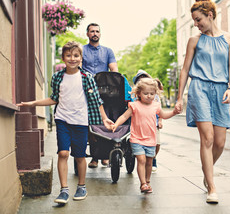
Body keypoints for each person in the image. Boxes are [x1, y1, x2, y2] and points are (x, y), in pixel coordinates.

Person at [17, 41, 113, 204]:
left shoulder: (86, 77)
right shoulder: (58, 77)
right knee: (63, 153)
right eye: (68, 55)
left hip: (80, 122)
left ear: (81, 58)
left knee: (80, 156)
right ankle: (64, 190)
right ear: (63, 58)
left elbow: (96, 100)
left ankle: (81, 186)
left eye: (76, 55)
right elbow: (54, 99)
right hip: (62, 120)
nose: (72, 58)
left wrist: (104, 118)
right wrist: (33, 104)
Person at [174, 0, 230, 204]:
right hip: (199, 88)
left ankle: (206, 172)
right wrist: (179, 98)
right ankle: (211, 186)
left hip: (221, 90)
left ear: (210, 15)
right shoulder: (194, 41)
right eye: (194, 21)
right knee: (207, 138)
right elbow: (184, 70)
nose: (196, 24)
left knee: (220, 142)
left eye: (198, 20)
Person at [110, 78, 180, 193]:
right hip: (137, 139)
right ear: (138, 93)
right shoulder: (134, 105)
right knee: (141, 160)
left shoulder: (156, 106)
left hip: (151, 140)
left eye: (152, 94)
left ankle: (147, 182)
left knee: (149, 161)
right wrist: (116, 124)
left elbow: (164, 115)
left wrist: (174, 112)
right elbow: (124, 116)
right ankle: (143, 183)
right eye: (145, 93)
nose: (149, 96)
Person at [82, 23, 132, 168]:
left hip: (106, 89)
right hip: (88, 89)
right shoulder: (83, 50)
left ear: (100, 34)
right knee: (92, 121)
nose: (95, 33)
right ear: (87, 34)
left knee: (109, 116)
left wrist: (116, 80)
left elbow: (114, 69)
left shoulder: (108, 51)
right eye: (92, 31)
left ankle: (106, 154)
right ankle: (95, 156)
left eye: (97, 31)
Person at [132, 70, 162, 172]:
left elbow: (159, 110)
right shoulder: (136, 97)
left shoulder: (154, 95)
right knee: (142, 158)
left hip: (154, 124)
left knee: (157, 143)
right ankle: (145, 179)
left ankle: (153, 158)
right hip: (140, 128)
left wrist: (161, 121)